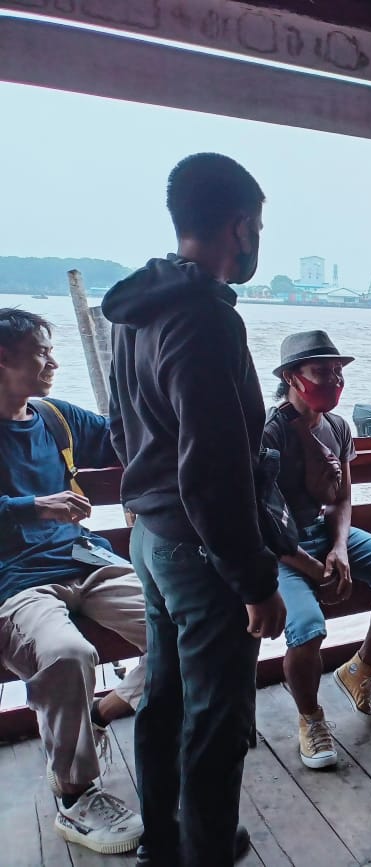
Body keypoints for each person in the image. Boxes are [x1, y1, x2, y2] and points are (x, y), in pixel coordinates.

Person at [102, 153, 286, 867]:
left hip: (150, 537)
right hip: (200, 551)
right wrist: (255, 580)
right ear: (239, 226)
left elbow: (123, 426)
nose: (256, 239)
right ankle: (205, 852)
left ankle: (168, 844)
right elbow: (213, 473)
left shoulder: (137, 310)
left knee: (165, 703)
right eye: (258, 226)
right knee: (217, 723)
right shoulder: (206, 319)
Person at [0, 308, 146, 855]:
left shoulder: (55, 418)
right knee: (66, 654)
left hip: (86, 562)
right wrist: (32, 507)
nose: (53, 363)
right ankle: (76, 793)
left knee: (193, 619)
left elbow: (121, 438)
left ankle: (101, 711)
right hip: (16, 583)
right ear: (3, 357)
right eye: (41, 351)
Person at [264, 331, 371, 768]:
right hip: (280, 548)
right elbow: (258, 520)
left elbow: (341, 499)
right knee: (307, 629)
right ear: (292, 377)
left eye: (337, 372)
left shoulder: (336, 426)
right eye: (321, 371)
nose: (333, 380)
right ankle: (310, 718)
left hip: (325, 534)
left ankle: (360, 669)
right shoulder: (269, 432)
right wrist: (312, 568)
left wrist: (340, 549)